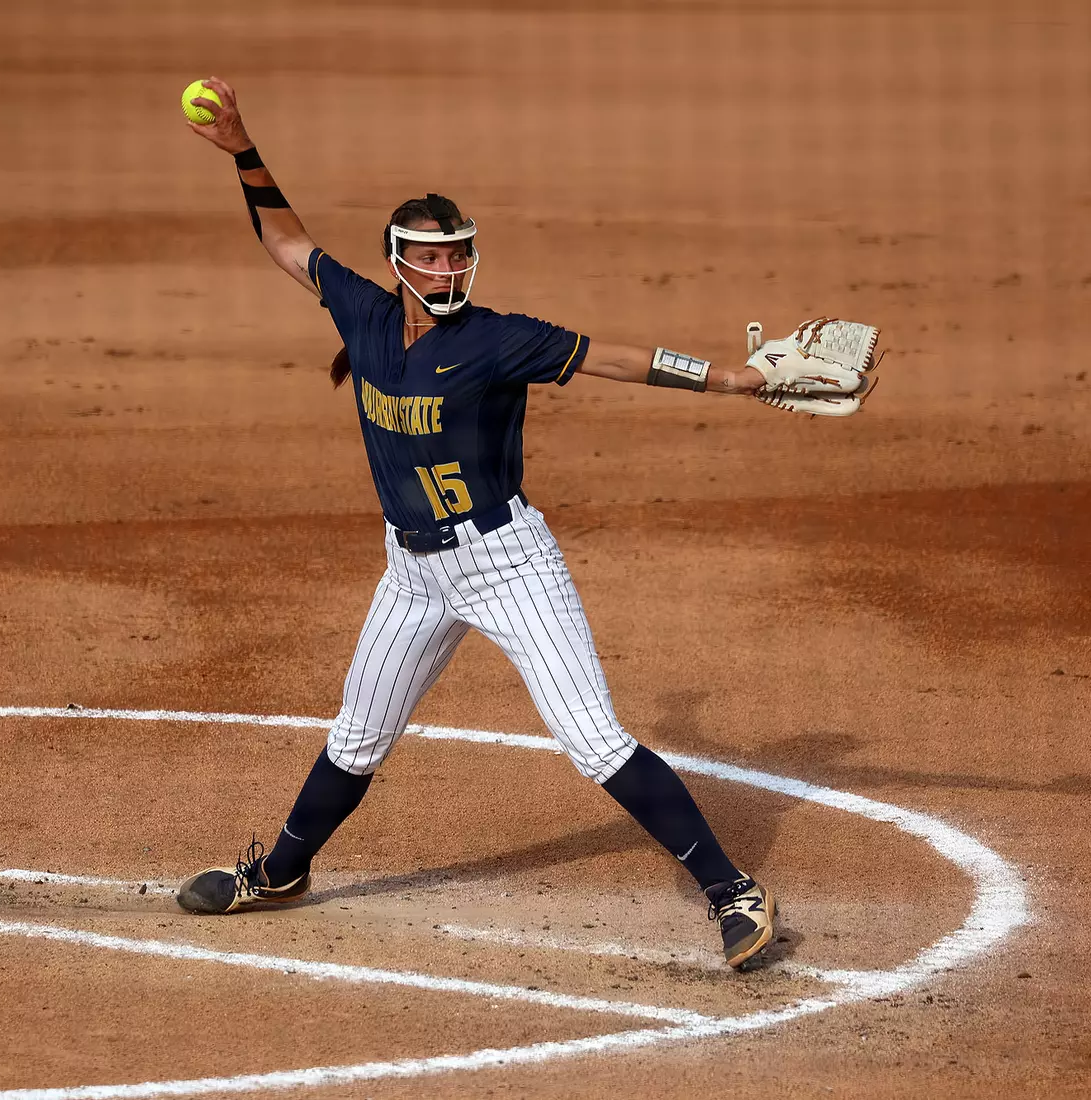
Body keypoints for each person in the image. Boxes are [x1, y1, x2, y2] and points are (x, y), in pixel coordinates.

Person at [175, 77, 778, 969]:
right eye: (430, 258)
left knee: (593, 740)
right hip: (412, 573)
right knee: (358, 736)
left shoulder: (497, 338)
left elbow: (616, 359)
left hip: (507, 563)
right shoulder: (364, 315)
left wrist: (729, 378)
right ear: (398, 262)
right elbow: (287, 242)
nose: (448, 271)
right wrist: (242, 150)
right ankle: (281, 873)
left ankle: (733, 891)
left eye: (458, 256)